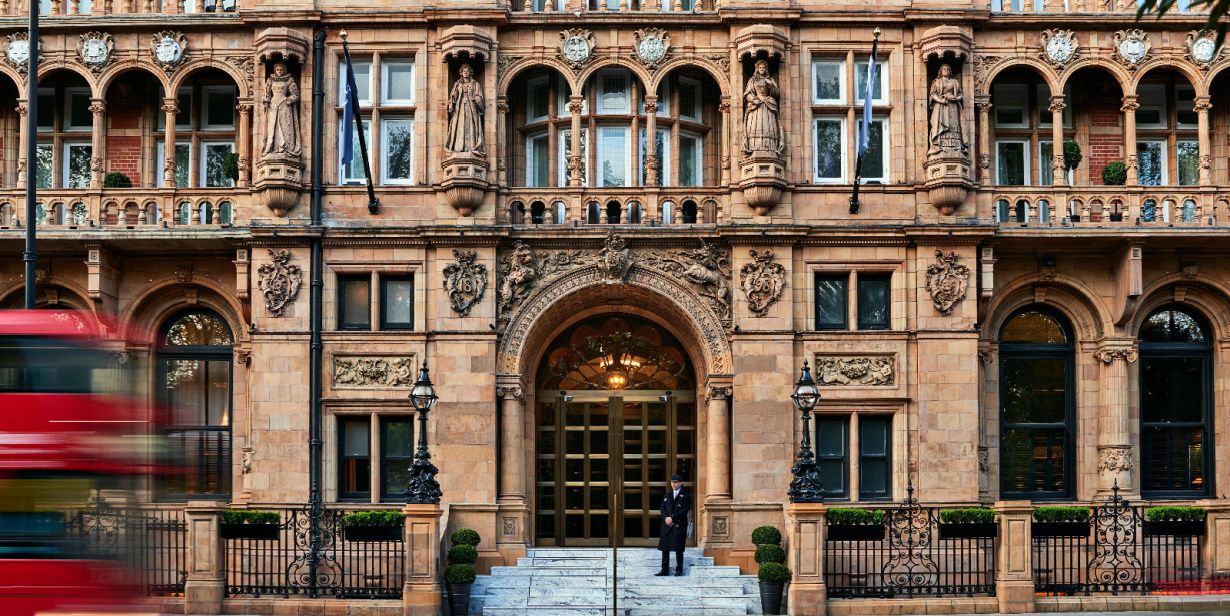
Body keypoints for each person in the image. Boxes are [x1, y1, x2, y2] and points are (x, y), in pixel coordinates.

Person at [656, 474, 690, 577]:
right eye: (672, 482)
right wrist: (666, 517)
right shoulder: (668, 495)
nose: (673, 484)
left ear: (681, 483)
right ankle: (664, 570)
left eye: (675, 482)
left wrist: (672, 518)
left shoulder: (686, 495)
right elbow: (662, 508)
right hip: (667, 524)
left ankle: (679, 570)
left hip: (678, 525)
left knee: (678, 549)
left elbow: (684, 511)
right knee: (664, 548)